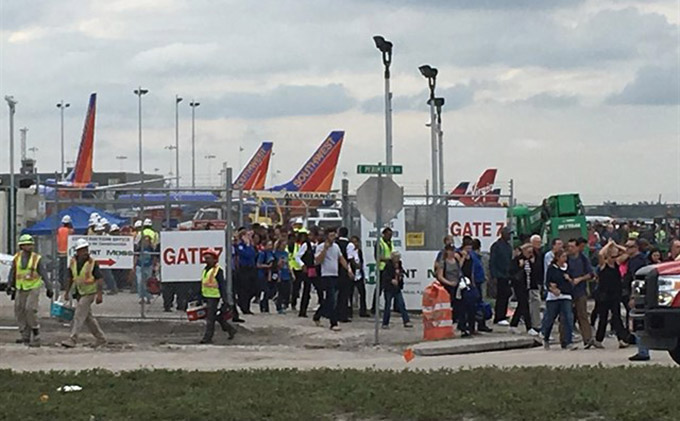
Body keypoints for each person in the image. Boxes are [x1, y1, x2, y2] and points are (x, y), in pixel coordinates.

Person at [7, 235, 52, 347]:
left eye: (30, 244)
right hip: (20, 287)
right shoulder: (17, 258)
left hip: (33, 286)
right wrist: (10, 286)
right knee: (19, 310)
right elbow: (13, 272)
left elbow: (44, 274)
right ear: (21, 246)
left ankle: (36, 332)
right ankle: (24, 335)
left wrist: (49, 287)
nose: (29, 246)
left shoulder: (37, 258)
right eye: (27, 244)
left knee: (30, 309)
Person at [61, 239, 106, 348]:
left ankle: (73, 338)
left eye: (86, 249)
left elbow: (99, 279)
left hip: (90, 292)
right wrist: (67, 292)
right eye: (82, 250)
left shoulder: (92, 263)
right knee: (88, 318)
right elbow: (70, 278)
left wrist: (99, 294)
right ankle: (101, 338)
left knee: (79, 314)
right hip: (79, 292)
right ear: (77, 251)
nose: (85, 252)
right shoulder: (73, 262)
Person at [314, 228, 353, 331]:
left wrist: (348, 269)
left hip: (335, 275)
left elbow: (341, 259)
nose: (333, 238)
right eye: (331, 236)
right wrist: (325, 250)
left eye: (334, 235)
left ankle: (317, 315)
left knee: (329, 299)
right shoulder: (320, 247)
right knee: (332, 299)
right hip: (326, 275)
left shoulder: (336, 247)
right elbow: (317, 261)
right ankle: (333, 322)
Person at [594, 240, 631, 349]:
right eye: (612, 256)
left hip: (615, 294)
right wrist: (608, 245)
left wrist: (616, 245)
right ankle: (598, 339)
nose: (614, 259)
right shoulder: (603, 265)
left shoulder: (617, 263)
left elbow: (627, 252)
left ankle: (621, 339)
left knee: (616, 316)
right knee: (603, 317)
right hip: (604, 295)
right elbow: (600, 254)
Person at [541, 250, 577, 350]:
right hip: (554, 298)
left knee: (568, 318)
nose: (564, 259)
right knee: (550, 319)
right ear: (557, 258)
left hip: (566, 296)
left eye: (565, 257)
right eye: (563, 257)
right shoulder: (552, 268)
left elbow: (573, 281)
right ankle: (546, 338)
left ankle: (569, 341)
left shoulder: (568, 268)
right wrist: (552, 289)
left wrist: (569, 279)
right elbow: (547, 282)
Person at [199, 249, 237, 344]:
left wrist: (225, 300)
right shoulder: (206, 270)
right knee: (217, 317)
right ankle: (230, 329)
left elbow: (222, 286)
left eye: (208, 258)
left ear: (214, 259)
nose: (206, 260)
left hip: (215, 297)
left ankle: (207, 338)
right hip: (207, 296)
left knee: (210, 318)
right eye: (205, 258)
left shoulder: (218, 271)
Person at [436, 244, 472, 336]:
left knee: (461, 306)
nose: (452, 252)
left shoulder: (455, 260)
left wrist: (463, 257)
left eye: (453, 250)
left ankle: (463, 327)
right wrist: (449, 283)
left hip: (457, 286)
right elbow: (440, 276)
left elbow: (459, 268)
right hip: (448, 287)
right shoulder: (443, 262)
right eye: (450, 250)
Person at [566, 238, 594, 348]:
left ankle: (587, 339)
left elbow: (590, 274)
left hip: (580, 290)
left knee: (582, 315)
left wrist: (580, 279)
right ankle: (566, 340)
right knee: (566, 316)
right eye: (569, 246)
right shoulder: (566, 258)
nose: (570, 249)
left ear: (577, 247)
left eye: (572, 247)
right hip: (568, 291)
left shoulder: (583, 259)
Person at [509, 244, 539, 336]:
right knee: (524, 305)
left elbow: (532, 273)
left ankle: (513, 324)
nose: (530, 254)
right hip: (519, 286)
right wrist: (520, 266)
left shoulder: (529, 261)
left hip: (527, 286)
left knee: (521, 306)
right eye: (528, 252)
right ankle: (529, 327)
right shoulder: (518, 260)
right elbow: (512, 272)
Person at [381, 251, 413, 329]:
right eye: (396, 257)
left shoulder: (399, 264)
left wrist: (401, 275)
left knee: (401, 304)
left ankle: (406, 321)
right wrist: (391, 280)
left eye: (398, 257)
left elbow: (401, 271)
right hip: (389, 288)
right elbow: (385, 276)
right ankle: (385, 323)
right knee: (388, 306)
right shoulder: (388, 265)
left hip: (397, 288)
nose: (397, 259)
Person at [490, 227, 513, 325]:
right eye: (508, 234)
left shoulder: (508, 246)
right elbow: (493, 262)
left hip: (507, 275)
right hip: (499, 275)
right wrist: (494, 275)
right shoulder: (496, 246)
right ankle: (499, 316)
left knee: (506, 294)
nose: (509, 236)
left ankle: (503, 314)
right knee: (501, 296)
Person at [336, 227, 359, 323]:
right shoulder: (349, 245)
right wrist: (353, 269)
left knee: (336, 293)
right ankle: (343, 315)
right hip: (345, 271)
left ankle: (335, 313)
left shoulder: (335, 244)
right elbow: (350, 259)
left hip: (335, 270)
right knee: (344, 294)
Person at [296, 229, 319, 318]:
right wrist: (303, 265)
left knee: (320, 289)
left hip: (316, 269)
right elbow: (298, 256)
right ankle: (303, 310)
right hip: (308, 270)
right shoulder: (306, 245)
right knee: (306, 289)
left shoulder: (318, 246)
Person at [471, 239, 492, 333]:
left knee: (479, 304)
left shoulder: (475, 257)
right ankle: (480, 323)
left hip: (478, 281)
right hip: (477, 283)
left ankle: (480, 323)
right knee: (479, 304)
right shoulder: (475, 257)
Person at [235, 230, 257, 314]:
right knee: (244, 289)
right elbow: (246, 254)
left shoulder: (250, 246)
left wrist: (249, 245)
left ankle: (245, 304)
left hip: (251, 268)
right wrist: (247, 245)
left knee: (253, 289)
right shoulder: (240, 246)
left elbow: (253, 254)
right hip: (244, 269)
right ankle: (245, 307)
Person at [350, 235, 369, 318]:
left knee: (362, 293)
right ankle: (349, 311)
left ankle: (363, 311)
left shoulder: (359, 251)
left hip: (359, 275)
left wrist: (364, 274)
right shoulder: (349, 251)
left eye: (356, 242)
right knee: (349, 294)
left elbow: (362, 262)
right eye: (353, 242)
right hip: (352, 274)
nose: (355, 244)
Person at [529, 234, 544, 331]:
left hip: (538, 280)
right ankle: (536, 323)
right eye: (537, 242)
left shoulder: (539, 253)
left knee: (536, 302)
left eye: (540, 242)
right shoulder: (531, 253)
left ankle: (535, 322)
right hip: (532, 281)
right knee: (535, 301)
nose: (539, 244)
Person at [273, 240, 293, 314]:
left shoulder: (286, 253)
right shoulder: (275, 254)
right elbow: (276, 265)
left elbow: (287, 263)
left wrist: (291, 272)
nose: (284, 247)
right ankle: (279, 307)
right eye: (283, 245)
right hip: (279, 273)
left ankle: (283, 302)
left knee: (287, 290)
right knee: (281, 290)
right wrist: (280, 262)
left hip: (286, 273)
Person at [257, 240, 275, 313]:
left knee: (269, 291)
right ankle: (262, 305)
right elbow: (258, 264)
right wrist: (267, 266)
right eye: (269, 245)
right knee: (265, 291)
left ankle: (266, 307)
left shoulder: (271, 253)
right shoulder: (262, 254)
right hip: (262, 275)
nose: (271, 247)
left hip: (269, 275)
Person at [56, 215, 74, 291]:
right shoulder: (70, 231)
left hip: (60, 252)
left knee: (61, 270)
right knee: (67, 271)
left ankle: (62, 285)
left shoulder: (59, 230)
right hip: (68, 253)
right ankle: (66, 285)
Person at [288, 232, 303, 311]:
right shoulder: (286, 247)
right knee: (289, 287)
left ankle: (293, 303)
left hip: (298, 269)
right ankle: (286, 301)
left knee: (296, 288)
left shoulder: (298, 246)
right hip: (288, 269)